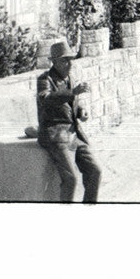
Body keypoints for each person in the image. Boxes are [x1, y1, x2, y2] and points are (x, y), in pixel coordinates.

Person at [36, 40, 101, 203]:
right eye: (65, 60)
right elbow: (46, 98)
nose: (70, 64)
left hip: (73, 134)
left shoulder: (70, 78)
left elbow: (70, 105)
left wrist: (81, 111)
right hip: (56, 135)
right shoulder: (45, 79)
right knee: (71, 179)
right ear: (55, 62)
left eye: (71, 59)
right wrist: (73, 92)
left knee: (95, 172)